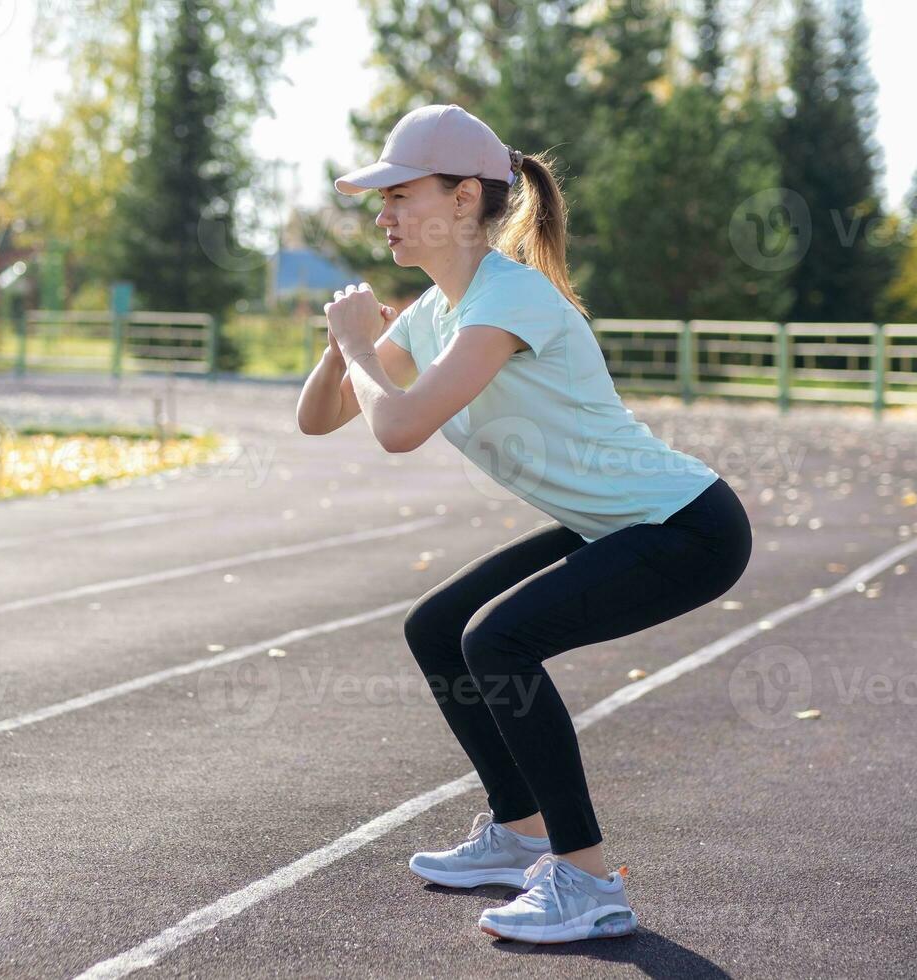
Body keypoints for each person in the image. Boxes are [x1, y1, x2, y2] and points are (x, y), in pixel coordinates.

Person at [296, 103, 753, 944]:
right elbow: (317, 420)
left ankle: (586, 880)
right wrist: (341, 347)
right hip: (614, 525)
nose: (383, 212)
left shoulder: (509, 300)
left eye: (400, 192)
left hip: (688, 526)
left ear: (464, 199)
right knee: (437, 627)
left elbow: (397, 428)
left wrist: (362, 348)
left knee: (496, 640)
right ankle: (520, 831)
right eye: (381, 198)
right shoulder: (440, 310)